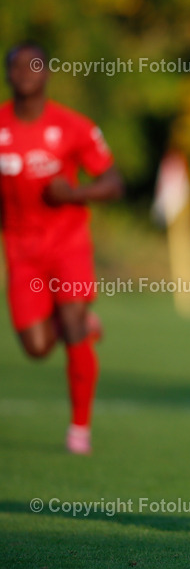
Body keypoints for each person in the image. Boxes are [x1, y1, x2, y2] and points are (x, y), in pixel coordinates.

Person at [0, 42, 123, 454]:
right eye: (16, 66)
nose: (24, 72)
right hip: (21, 249)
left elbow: (114, 184)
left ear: (47, 72)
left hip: (68, 243)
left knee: (72, 325)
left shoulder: (73, 127)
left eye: (33, 65)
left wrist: (73, 194)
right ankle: (83, 322)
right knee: (36, 348)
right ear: (7, 74)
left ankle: (79, 429)